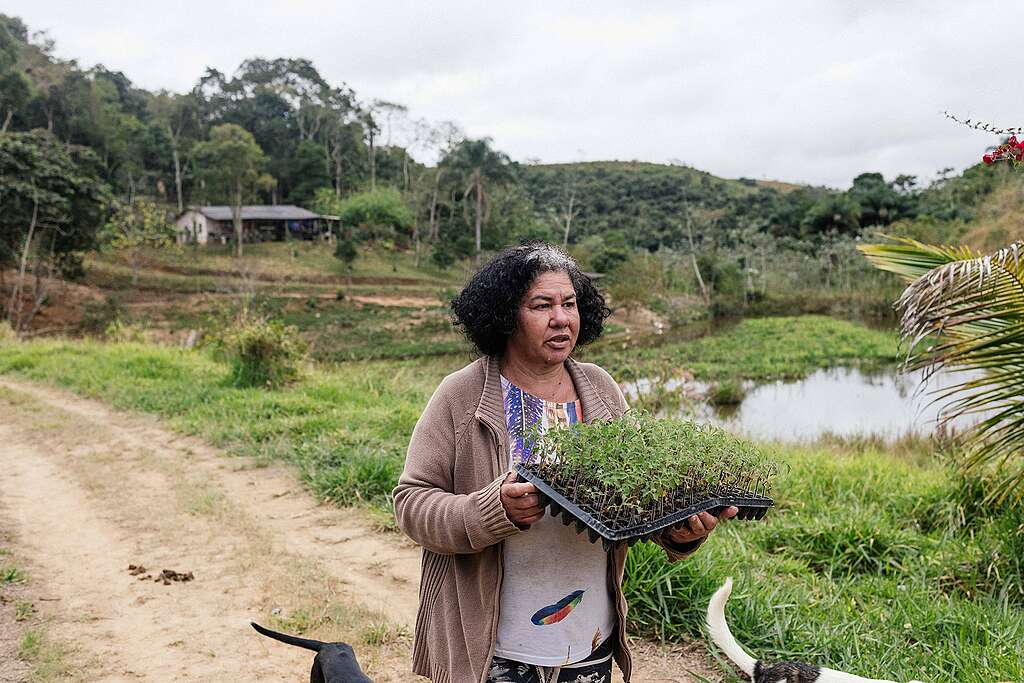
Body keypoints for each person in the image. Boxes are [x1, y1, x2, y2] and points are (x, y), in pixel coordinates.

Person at [394, 243, 737, 683]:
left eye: (570, 303)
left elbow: (635, 497)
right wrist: (491, 509)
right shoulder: (460, 396)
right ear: (505, 315)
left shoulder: (600, 389)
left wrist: (677, 530)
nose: (562, 318)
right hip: (493, 649)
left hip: (588, 639)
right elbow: (411, 503)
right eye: (542, 305)